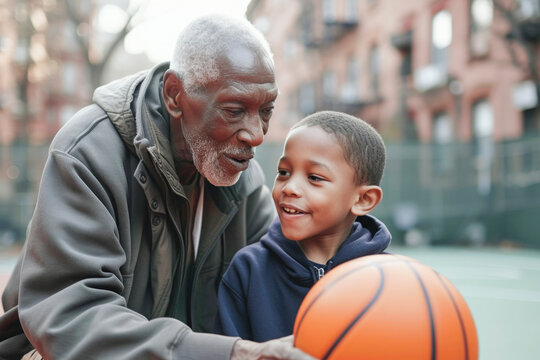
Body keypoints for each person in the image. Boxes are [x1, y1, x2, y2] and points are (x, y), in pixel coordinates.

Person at [0, 15, 315, 360]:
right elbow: (72, 319)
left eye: (266, 110)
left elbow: (280, 282)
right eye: (234, 110)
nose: (256, 133)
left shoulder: (244, 180)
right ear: (174, 96)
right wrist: (235, 354)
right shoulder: (88, 152)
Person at [214, 110, 392, 342]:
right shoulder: (248, 269)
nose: (289, 187)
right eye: (284, 172)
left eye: (314, 177)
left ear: (363, 200)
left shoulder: (389, 279)